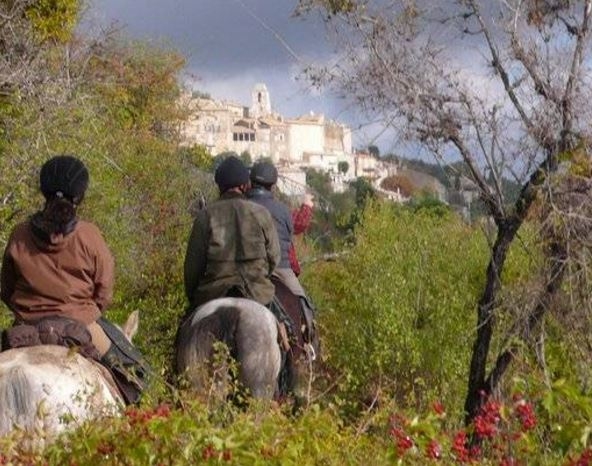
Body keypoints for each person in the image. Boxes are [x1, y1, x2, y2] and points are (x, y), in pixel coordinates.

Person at [0, 155, 149, 404]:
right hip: (82, 324)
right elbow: (105, 290)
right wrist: (87, 312)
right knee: (135, 374)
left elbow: (5, 289)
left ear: (43, 190)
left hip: (26, 327)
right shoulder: (89, 235)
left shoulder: (19, 234)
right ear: (79, 195)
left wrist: (27, 311)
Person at [184, 156, 280, 310]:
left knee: (185, 330)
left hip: (213, 294)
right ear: (245, 185)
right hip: (257, 293)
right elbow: (274, 258)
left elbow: (193, 268)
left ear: (219, 186)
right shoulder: (261, 213)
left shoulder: (205, 216)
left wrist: (192, 297)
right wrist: (262, 277)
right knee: (284, 328)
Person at [246, 161, 317, 343]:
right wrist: (307, 205)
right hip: (280, 268)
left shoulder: (239, 206)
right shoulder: (283, 210)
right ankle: (309, 348)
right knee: (303, 304)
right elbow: (300, 224)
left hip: (246, 269)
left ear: (251, 182)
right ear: (273, 185)